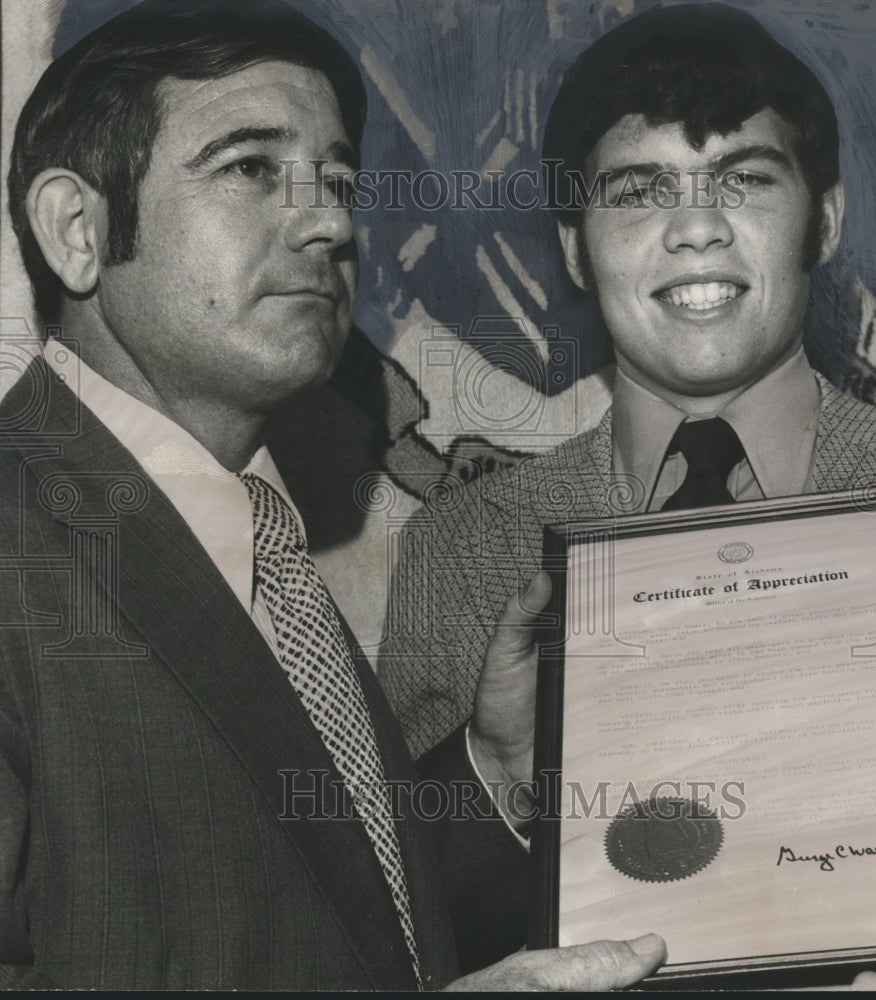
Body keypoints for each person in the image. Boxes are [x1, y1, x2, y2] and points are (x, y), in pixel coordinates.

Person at [0, 0, 675, 989]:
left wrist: (489, 767)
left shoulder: (254, 528)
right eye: (249, 167)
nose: (327, 221)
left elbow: (319, 920)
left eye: (339, 180)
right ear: (77, 229)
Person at [377, 5, 876, 984]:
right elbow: (397, 928)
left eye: (744, 180)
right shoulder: (463, 547)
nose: (694, 228)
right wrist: (492, 770)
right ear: (572, 247)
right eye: (639, 192)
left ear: (826, 219)